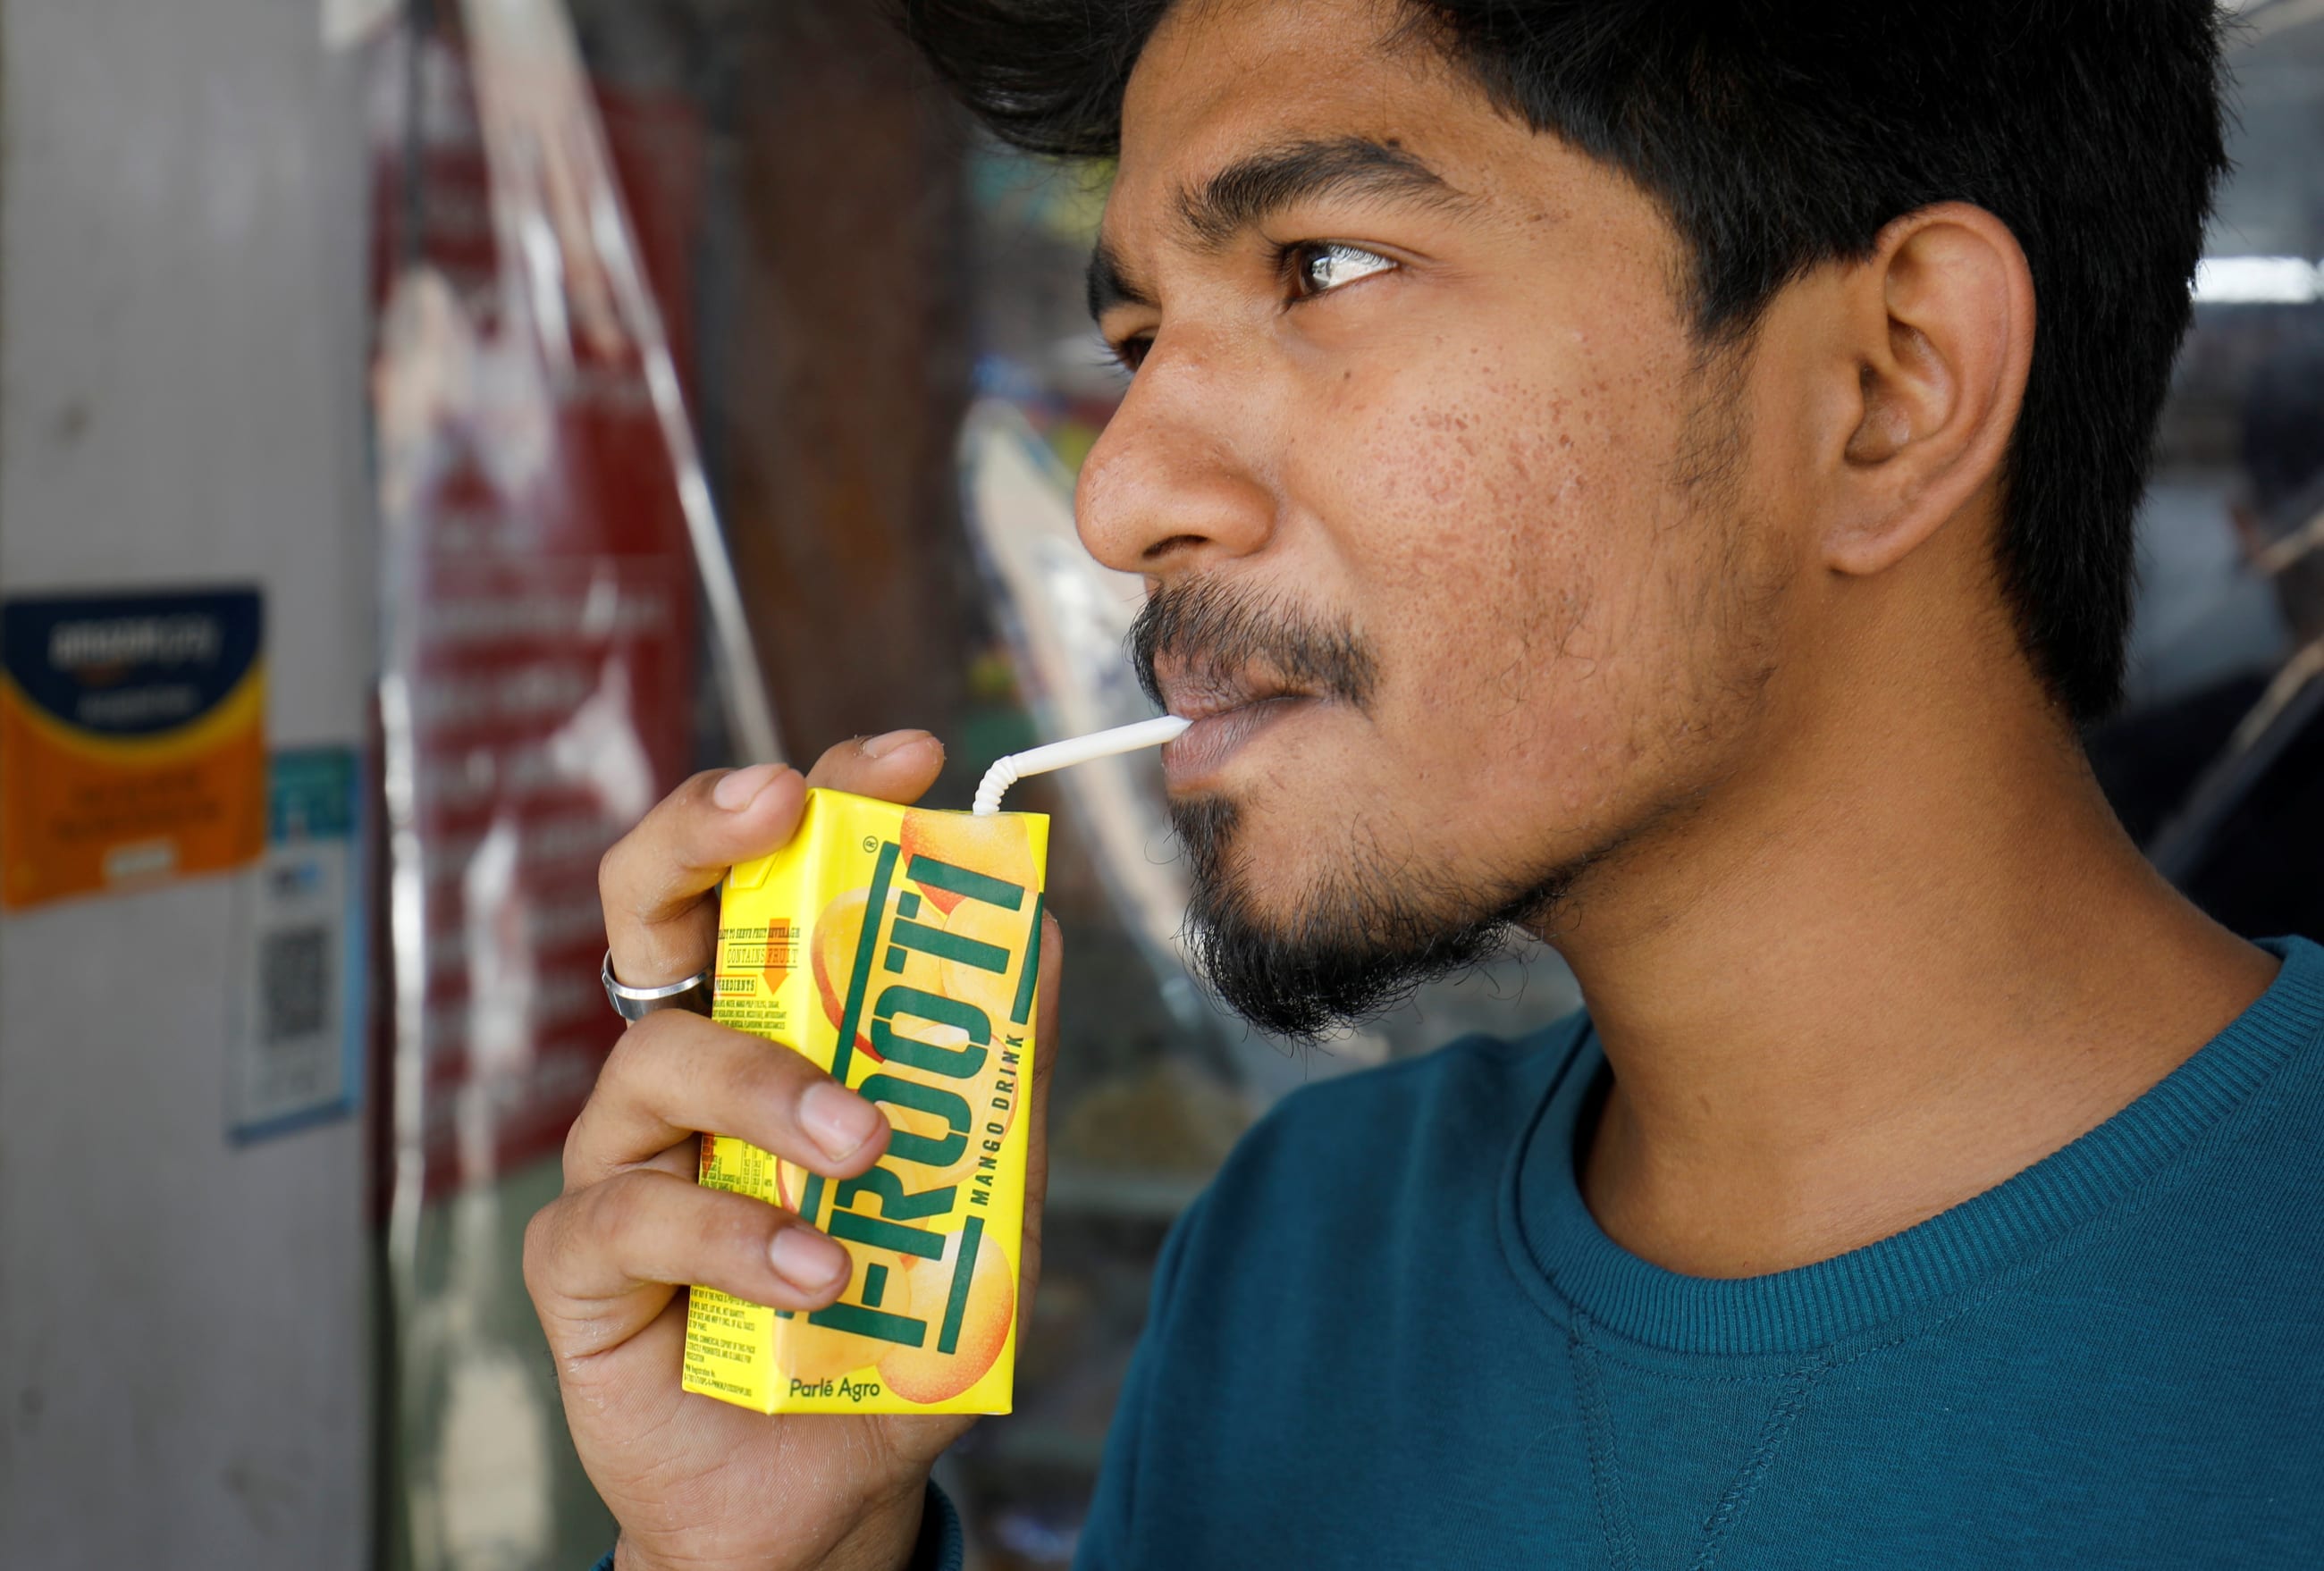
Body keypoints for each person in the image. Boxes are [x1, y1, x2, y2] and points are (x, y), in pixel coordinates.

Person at [526, 3, 2324, 1567]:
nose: (1120, 496)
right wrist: (774, 1552)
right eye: (1142, 336)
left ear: (1886, 385)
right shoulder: (1299, 1261)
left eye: (1320, 266)